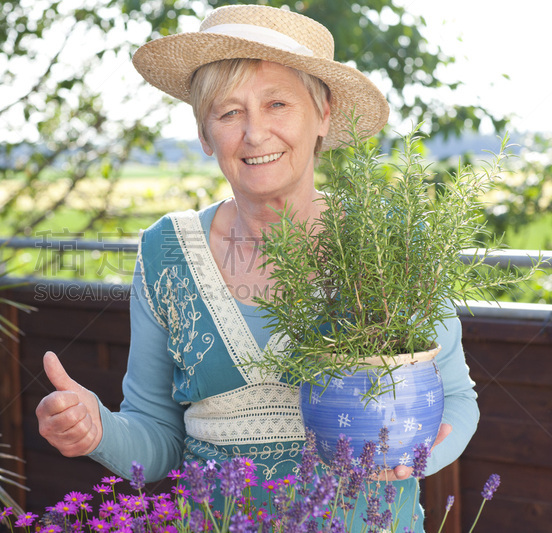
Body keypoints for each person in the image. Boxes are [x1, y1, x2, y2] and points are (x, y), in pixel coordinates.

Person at [36, 5, 478, 530]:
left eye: (277, 104)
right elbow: (158, 434)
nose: (255, 133)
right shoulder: (165, 252)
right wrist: (98, 430)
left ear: (325, 115)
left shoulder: (388, 240)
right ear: (205, 135)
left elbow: (454, 398)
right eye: (228, 113)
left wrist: (418, 455)